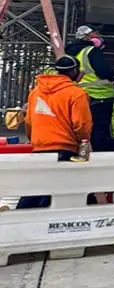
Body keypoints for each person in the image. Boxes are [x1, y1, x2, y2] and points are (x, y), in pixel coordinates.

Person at [16, 56, 92, 209]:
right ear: (74, 71)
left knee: (35, 189)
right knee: (56, 192)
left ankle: (18, 219)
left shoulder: (35, 92)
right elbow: (82, 124)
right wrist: (82, 142)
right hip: (65, 148)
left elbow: (29, 121)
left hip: (39, 147)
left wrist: (35, 140)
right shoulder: (76, 94)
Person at [66, 25, 114, 152]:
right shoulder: (91, 51)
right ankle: (100, 155)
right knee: (100, 130)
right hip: (100, 96)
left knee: (84, 127)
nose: (99, 36)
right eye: (95, 34)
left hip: (81, 95)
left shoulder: (72, 53)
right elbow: (103, 71)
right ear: (87, 37)